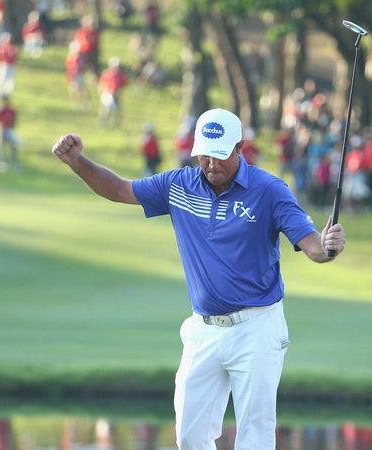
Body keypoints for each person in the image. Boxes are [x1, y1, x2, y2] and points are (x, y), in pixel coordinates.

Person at [51, 108, 346, 450]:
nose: (212, 164)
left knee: (255, 436)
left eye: (221, 155)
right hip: (203, 330)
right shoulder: (179, 185)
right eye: (205, 155)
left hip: (257, 327)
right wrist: (77, 161)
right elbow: (118, 189)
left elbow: (312, 246)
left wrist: (328, 248)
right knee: (190, 437)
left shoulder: (269, 191)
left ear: (240, 148)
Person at [97, 57, 128, 128]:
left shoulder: (120, 75)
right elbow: (101, 83)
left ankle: (116, 124)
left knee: (116, 110)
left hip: (116, 93)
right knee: (104, 110)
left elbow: (123, 83)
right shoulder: (106, 74)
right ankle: (103, 123)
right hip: (107, 93)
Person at [0, 96, 20, 172]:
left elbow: (14, 119)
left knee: (12, 147)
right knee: (1, 147)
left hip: (9, 130)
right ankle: (1, 163)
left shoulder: (11, 111)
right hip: (2, 130)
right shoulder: (0, 110)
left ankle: (15, 163)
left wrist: (12, 127)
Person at [0, 31, 18, 99]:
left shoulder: (11, 47)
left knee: (9, 81)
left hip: (11, 65)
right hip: (3, 65)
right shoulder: (1, 48)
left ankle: (7, 94)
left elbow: (14, 57)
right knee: (0, 80)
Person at [65, 41, 89, 110]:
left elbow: (84, 66)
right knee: (74, 90)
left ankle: (84, 102)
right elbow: (70, 68)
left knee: (82, 89)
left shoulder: (81, 58)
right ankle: (75, 103)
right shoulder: (70, 58)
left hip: (80, 74)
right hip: (73, 75)